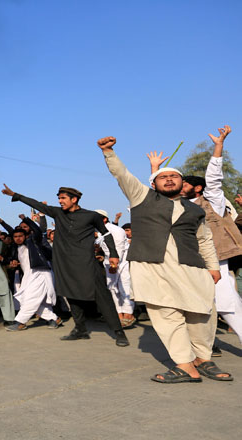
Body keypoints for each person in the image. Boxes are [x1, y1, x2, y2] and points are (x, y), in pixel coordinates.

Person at [100, 135, 229, 382]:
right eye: (163, 177)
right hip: (152, 268)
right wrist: (109, 153)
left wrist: (213, 267)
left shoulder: (196, 210)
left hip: (191, 267)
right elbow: (122, 175)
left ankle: (203, 359)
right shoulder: (141, 198)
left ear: (182, 184)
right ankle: (185, 365)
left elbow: (204, 241)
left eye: (174, 177)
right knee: (167, 316)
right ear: (154, 183)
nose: (169, 179)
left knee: (201, 312)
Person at [0, 183, 130, 347]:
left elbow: (106, 234)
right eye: (59, 198)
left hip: (87, 263)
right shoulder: (57, 213)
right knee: (72, 297)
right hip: (64, 264)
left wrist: (114, 254)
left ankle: (119, 332)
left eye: (63, 198)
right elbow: (37, 204)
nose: (60, 201)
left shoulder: (91, 216)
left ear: (74, 199)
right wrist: (16, 195)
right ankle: (80, 330)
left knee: (102, 297)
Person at [150, 125, 242, 354]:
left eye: (185, 183)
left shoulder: (213, 202)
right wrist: (154, 170)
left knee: (228, 305)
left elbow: (214, 178)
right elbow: (150, 196)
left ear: (197, 188)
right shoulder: (176, 206)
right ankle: (205, 347)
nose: (180, 186)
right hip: (186, 263)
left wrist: (218, 147)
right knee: (194, 306)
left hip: (215, 263)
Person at [4, 216, 60, 331]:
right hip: (28, 276)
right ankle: (53, 318)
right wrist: (7, 261)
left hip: (40, 273)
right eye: (15, 237)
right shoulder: (16, 248)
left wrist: (27, 219)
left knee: (31, 298)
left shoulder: (34, 242)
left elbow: (38, 230)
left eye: (20, 236)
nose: (18, 239)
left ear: (26, 235)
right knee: (27, 299)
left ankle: (20, 322)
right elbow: (12, 260)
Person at [95, 209, 135, 328]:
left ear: (104, 219)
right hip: (108, 262)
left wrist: (114, 265)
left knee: (125, 287)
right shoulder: (97, 231)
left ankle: (128, 314)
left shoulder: (116, 230)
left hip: (121, 261)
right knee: (112, 289)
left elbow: (118, 249)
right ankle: (118, 315)